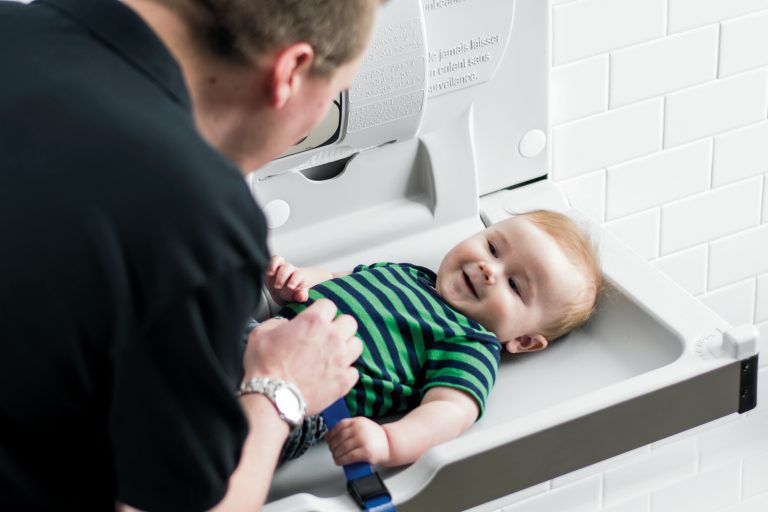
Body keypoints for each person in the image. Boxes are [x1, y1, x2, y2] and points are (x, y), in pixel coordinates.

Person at [0, 0, 382, 510]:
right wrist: (282, 390)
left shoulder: (14, 21)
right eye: (333, 96)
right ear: (290, 69)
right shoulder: (195, 212)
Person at [264, 210, 605, 467]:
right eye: (492, 248)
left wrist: (388, 442)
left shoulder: (470, 342)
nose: (490, 269)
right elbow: (334, 279)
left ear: (525, 341)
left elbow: (450, 410)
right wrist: (299, 281)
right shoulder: (409, 273)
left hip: (297, 401)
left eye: (514, 285)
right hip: (264, 345)